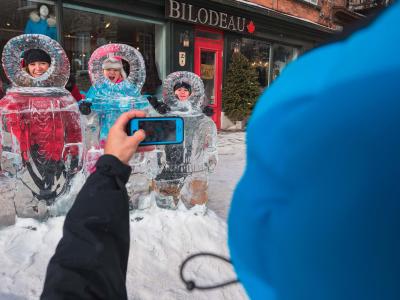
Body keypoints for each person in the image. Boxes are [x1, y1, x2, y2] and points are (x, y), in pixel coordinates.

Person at [40, 110, 149, 299]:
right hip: (105, 143)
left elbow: (85, 264)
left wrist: (111, 167)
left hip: (117, 147)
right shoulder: (98, 91)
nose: (111, 76)